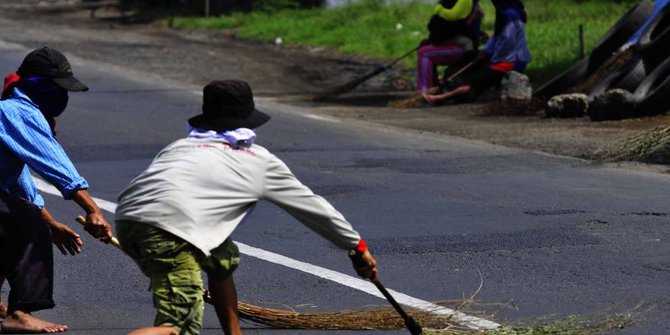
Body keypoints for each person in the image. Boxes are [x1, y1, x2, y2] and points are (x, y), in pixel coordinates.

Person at [115, 80, 379, 335]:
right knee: (178, 326)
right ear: (247, 120)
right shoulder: (257, 159)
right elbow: (312, 208)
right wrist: (356, 247)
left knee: (222, 257)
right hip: (170, 231)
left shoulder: (180, 146)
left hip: (130, 218)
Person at [0, 47, 113, 333]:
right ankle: (20, 312)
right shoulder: (18, 111)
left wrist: (49, 221)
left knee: (16, 222)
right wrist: (92, 209)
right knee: (25, 226)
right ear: (40, 86)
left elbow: (17, 182)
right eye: (58, 88)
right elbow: (54, 163)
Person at [423, 0, 530, 104]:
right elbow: (496, 36)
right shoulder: (503, 13)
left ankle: (441, 97)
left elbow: (507, 43)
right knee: (468, 65)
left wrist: (491, 60)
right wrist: (486, 51)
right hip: (502, 58)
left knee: (475, 81)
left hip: (510, 62)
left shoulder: (510, 15)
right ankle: (443, 89)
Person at [417, 0, 483, 94]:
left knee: (424, 53)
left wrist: (439, 9)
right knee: (424, 46)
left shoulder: (466, 3)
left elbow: (453, 16)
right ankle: (434, 86)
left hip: (464, 48)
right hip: (453, 41)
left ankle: (424, 91)